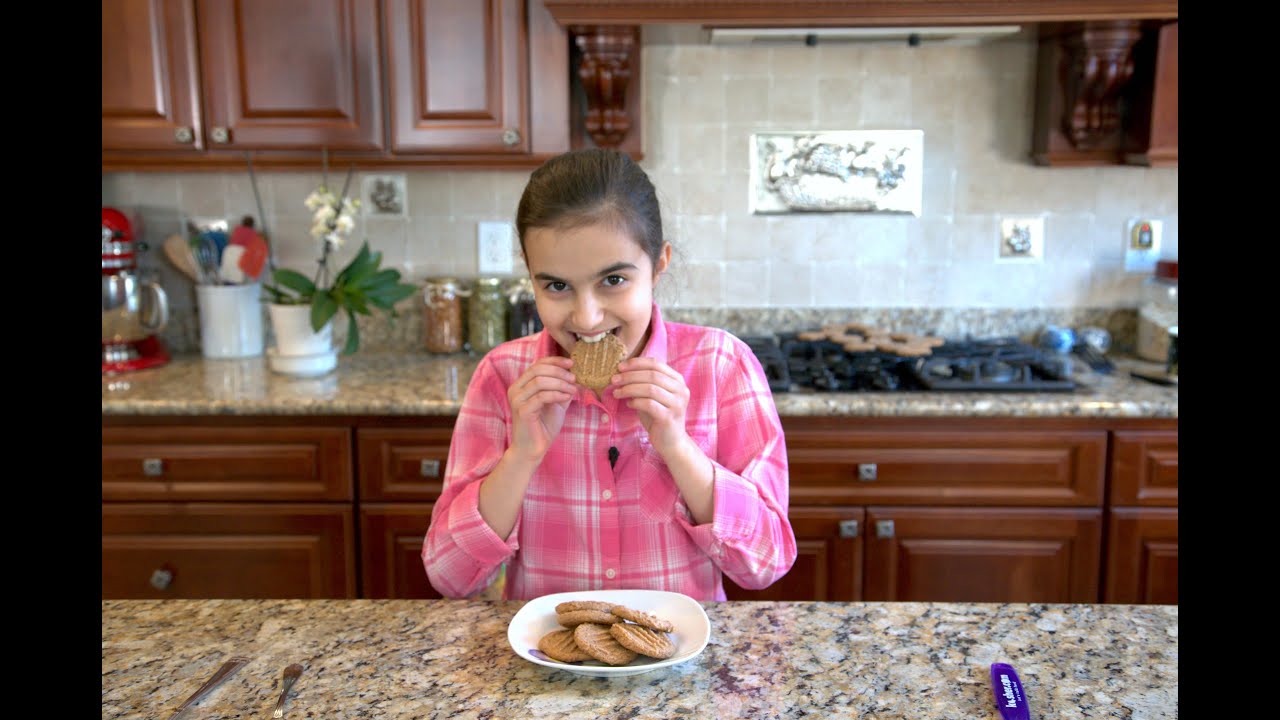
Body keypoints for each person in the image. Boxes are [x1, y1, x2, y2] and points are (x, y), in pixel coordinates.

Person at [422, 148, 796, 601]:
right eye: (556, 286)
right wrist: (521, 456)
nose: (587, 316)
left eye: (613, 280)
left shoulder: (720, 365)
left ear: (659, 264)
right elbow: (449, 576)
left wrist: (678, 448)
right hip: (545, 662)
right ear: (531, 276)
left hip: (680, 662)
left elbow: (767, 562)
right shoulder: (503, 376)